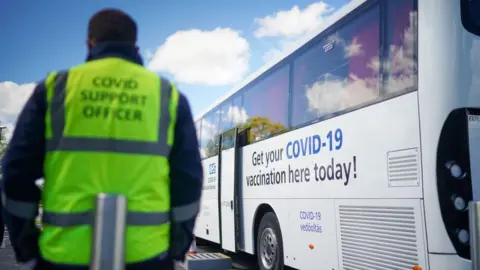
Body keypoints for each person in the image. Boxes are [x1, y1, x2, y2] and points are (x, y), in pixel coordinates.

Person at [1, 8, 203, 270]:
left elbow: (15, 173)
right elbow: (188, 180)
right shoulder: (168, 96)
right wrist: (177, 248)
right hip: (147, 255)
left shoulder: (55, 89)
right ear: (135, 46)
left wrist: (25, 247)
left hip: (63, 255)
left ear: (89, 43)